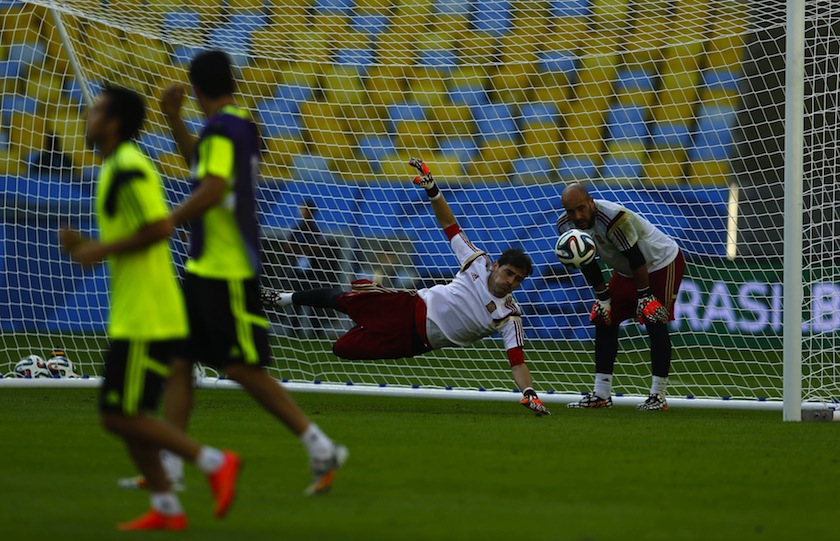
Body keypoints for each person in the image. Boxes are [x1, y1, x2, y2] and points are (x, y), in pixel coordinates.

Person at [117, 50, 346, 496]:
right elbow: (203, 167)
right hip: (204, 267)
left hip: (227, 267)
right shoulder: (235, 126)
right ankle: (171, 467)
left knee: (243, 368)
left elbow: (213, 187)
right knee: (180, 363)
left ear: (196, 87)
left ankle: (321, 446)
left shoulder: (223, 130)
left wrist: (169, 220)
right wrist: (173, 118)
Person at [58, 85, 240, 531]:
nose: (89, 115)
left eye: (97, 109)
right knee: (125, 417)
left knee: (118, 414)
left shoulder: (128, 168)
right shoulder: (113, 168)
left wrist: (97, 250)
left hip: (149, 315)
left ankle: (214, 462)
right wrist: (91, 247)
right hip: (134, 312)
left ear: (114, 122)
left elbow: (161, 228)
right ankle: (166, 507)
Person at [262, 158, 551, 416]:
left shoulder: (509, 314)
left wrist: (529, 393)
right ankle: (282, 298)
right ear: (497, 265)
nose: (510, 282)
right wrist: (433, 190)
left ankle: (368, 303)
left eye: (517, 280)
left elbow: (517, 361)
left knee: (342, 348)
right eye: (509, 273)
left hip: (415, 342)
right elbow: (450, 224)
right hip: (409, 306)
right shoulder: (476, 261)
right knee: (342, 300)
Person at [556, 183, 685, 411]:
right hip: (628, 270)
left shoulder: (615, 219)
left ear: (591, 202)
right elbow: (585, 262)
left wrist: (645, 295)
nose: (577, 216)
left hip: (660, 262)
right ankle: (601, 394)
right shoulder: (565, 226)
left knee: (655, 318)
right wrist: (602, 296)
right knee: (604, 317)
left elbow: (636, 258)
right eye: (570, 211)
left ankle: (658, 395)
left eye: (581, 209)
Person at [283, 199, 329, 336]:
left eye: (307, 210)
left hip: (313, 271)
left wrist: (303, 249)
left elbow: (319, 248)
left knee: (315, 300)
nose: (304, 213)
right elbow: (287, 246)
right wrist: (304, 250)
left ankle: (315, 331)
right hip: (297, 270)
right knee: (295, 299)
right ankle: (294, 330)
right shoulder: (296, 229)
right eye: (302, 210)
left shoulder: (315, 231)